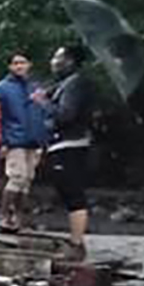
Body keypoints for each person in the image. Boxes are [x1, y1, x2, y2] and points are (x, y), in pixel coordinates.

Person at [35, 44, 95, 260]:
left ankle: (77, 244)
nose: (53, 61)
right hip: (62, 144)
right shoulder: (66, 84)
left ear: (69, 61)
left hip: (70, 145)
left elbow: (65, 115)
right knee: (67, 192)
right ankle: (75, 241)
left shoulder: (76, 84)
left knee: (73, 193)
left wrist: (44, 104)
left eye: (57, 57)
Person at [0, 52, 50, 232]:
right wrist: (0, 141)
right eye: (15, 63)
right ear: (10, 66)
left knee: (27, 180)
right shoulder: (1, 89)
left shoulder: (36, 87)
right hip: (14, 139)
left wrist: (44, 135)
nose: (19, 66)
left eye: (22, 62)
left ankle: (18, 218)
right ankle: (2, 216)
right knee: (17, 177)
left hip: (35, 139)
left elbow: (45, 111)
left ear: (29, 64)